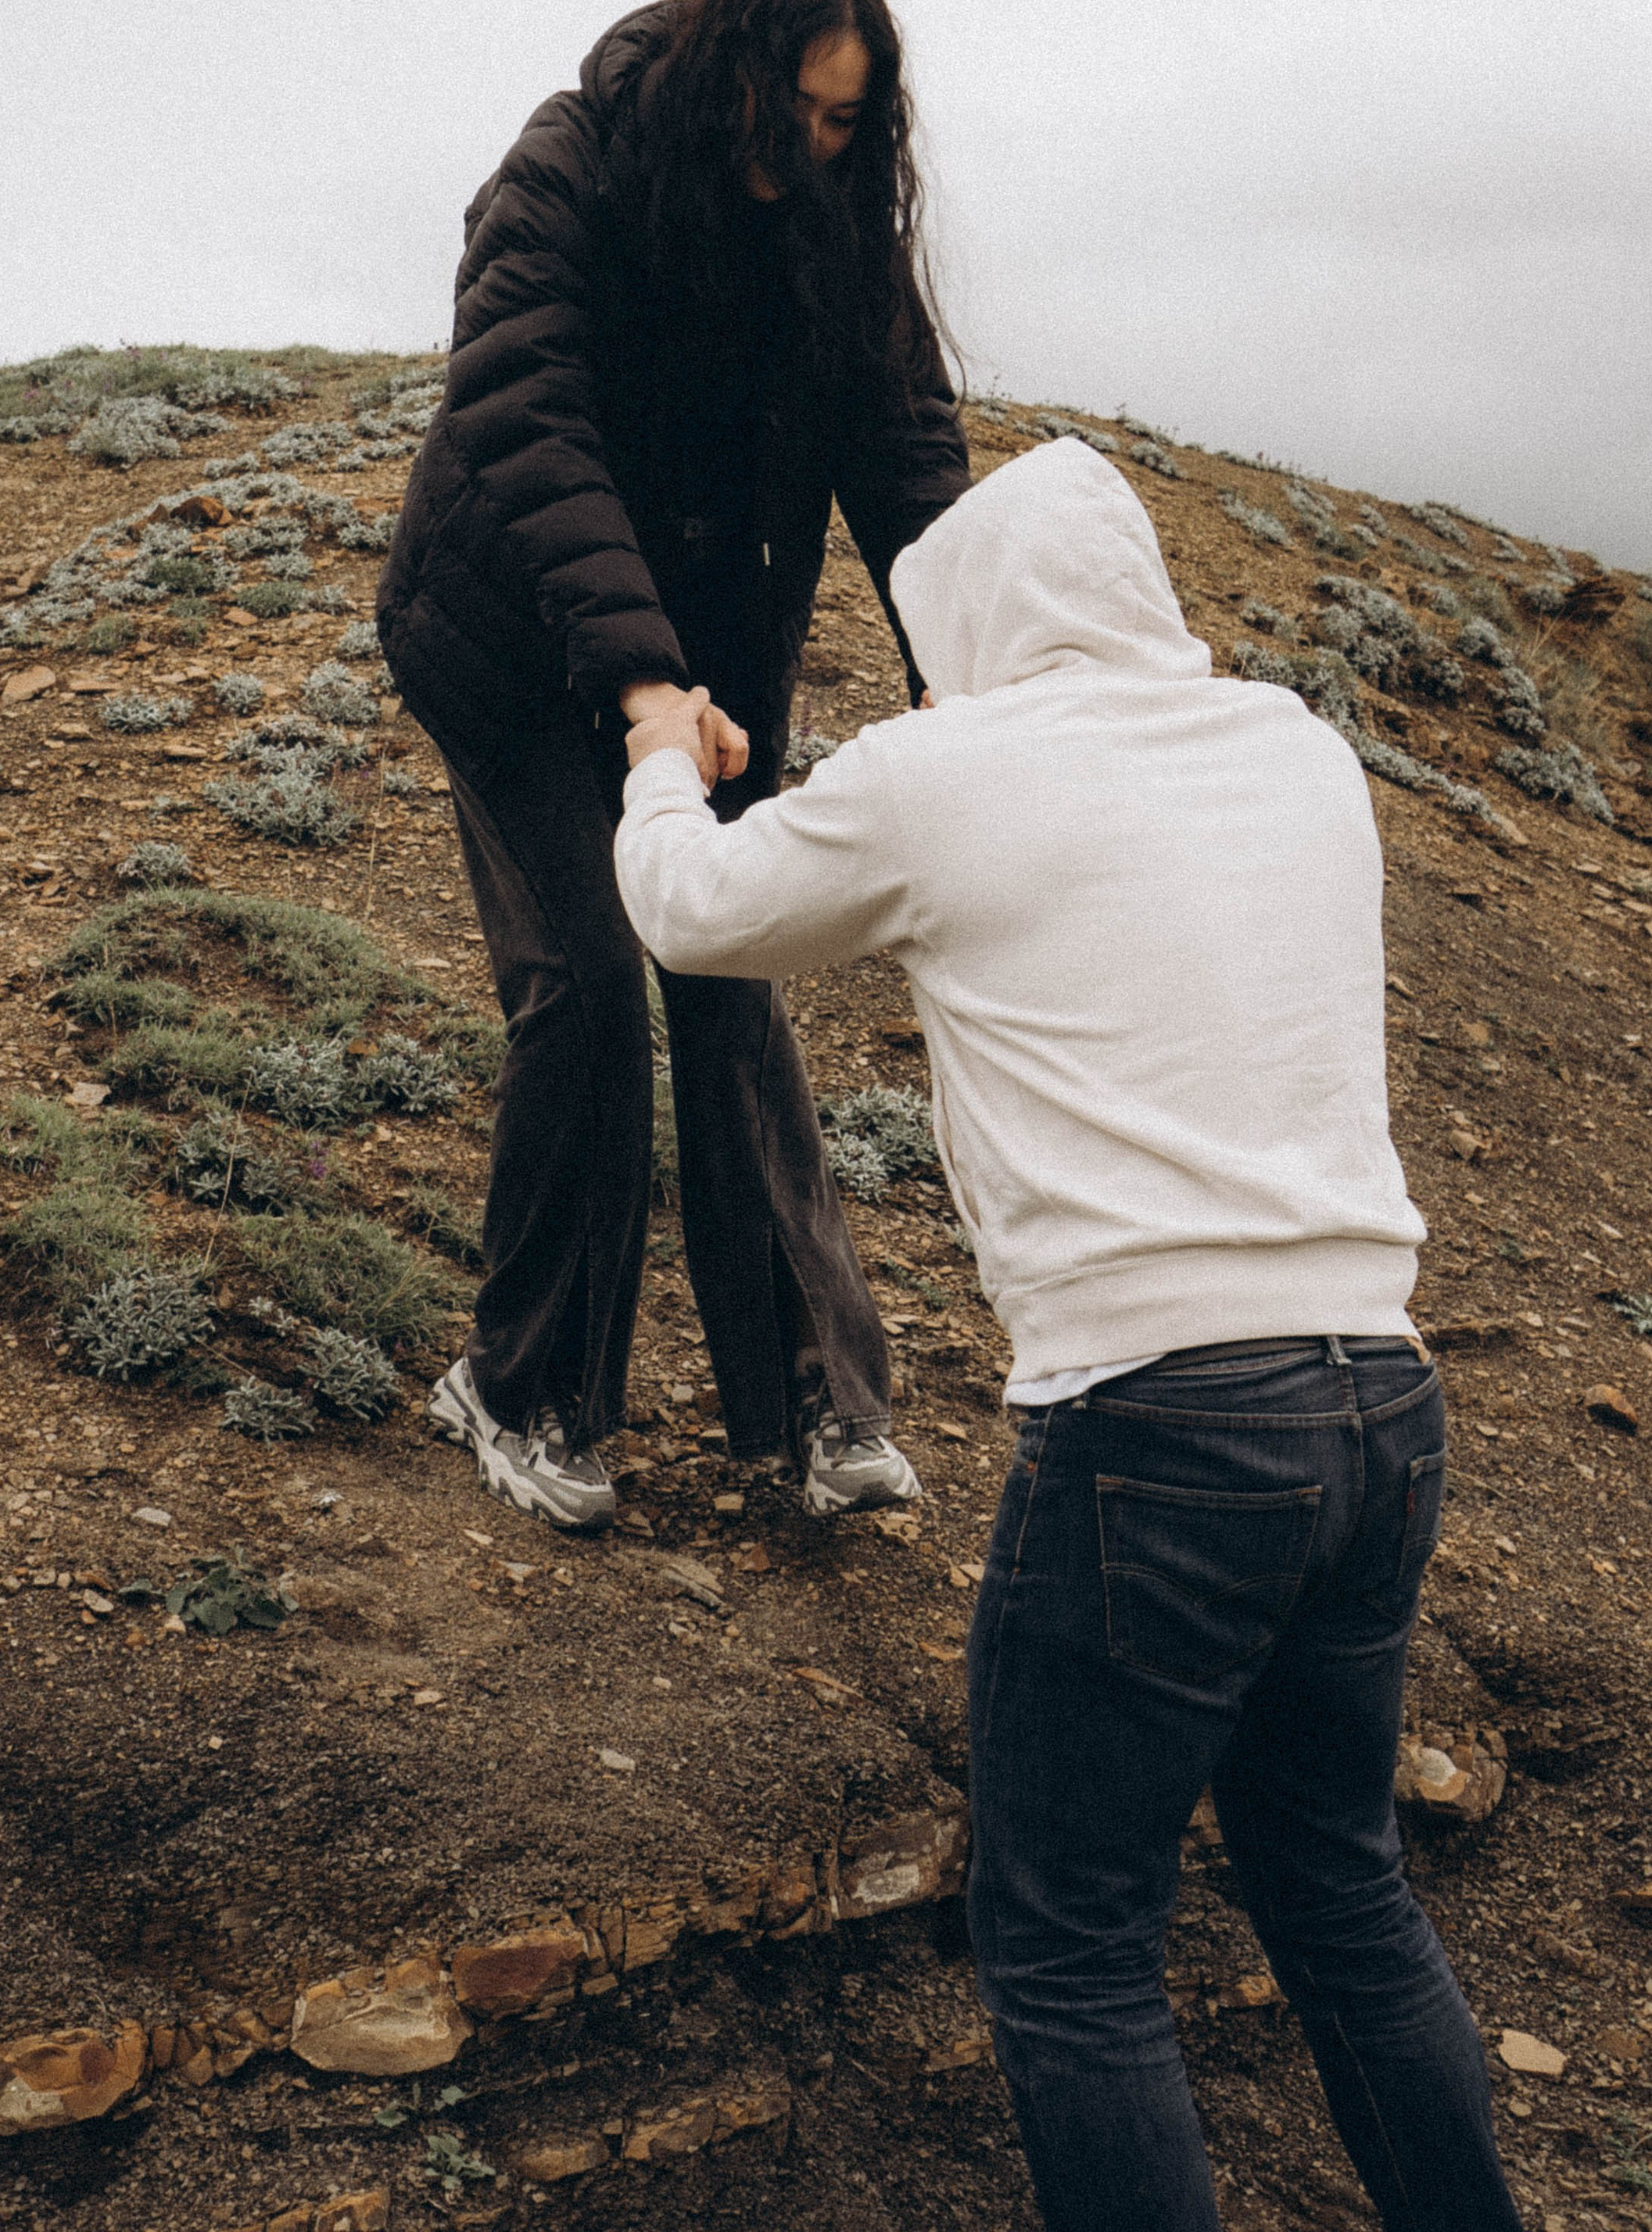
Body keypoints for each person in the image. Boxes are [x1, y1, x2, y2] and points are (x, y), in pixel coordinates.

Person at [612, 437, 1522, 2232]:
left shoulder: (950, 771)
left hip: (1161, 1433)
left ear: (967, 621)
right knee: (1339, 1896)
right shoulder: (1296, 750)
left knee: (1073, 1950)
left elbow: (689, 914)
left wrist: (659, 758)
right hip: (1376, 1399)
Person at [376, 0, 971, 1531]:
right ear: (729, 77)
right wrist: (640, 680)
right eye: (795, 111)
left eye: (849, 124)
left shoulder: (835, 222)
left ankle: (807, 1411)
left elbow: (903, 448)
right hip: (508, 640)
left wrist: (969, 658)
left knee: (722, 982)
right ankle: (517, 1392)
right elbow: (526, 416)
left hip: (706, 665)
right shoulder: (572, 169)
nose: (816, 151)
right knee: (582, 985)